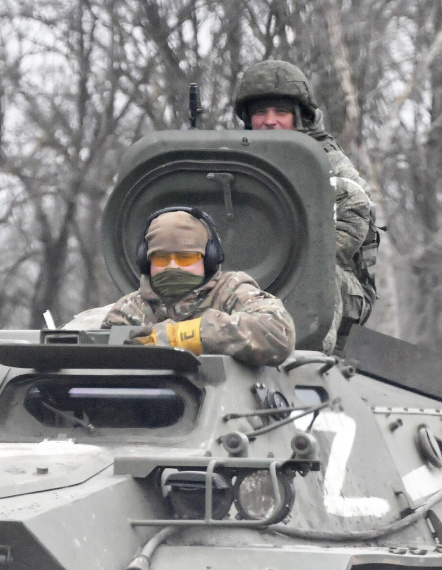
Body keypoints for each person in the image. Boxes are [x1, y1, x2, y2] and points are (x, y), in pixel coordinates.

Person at [233, 59, 379, 353]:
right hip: (255, 276)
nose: (270, 121)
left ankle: (308, 360)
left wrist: (294, 260)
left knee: (319, 280)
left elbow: (355, 212)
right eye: (261, 112)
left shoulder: (325, 161)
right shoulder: (238, 159)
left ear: (300, 118)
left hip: (334, 287)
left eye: (281, 112)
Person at [101, 207, 296, 367]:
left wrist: (184, 336)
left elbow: (278, 334)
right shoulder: (128, 311)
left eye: (185, 258)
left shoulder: (231, 292)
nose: (173, 266)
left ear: (209, 259)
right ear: (146, 263)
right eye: (161, 258)